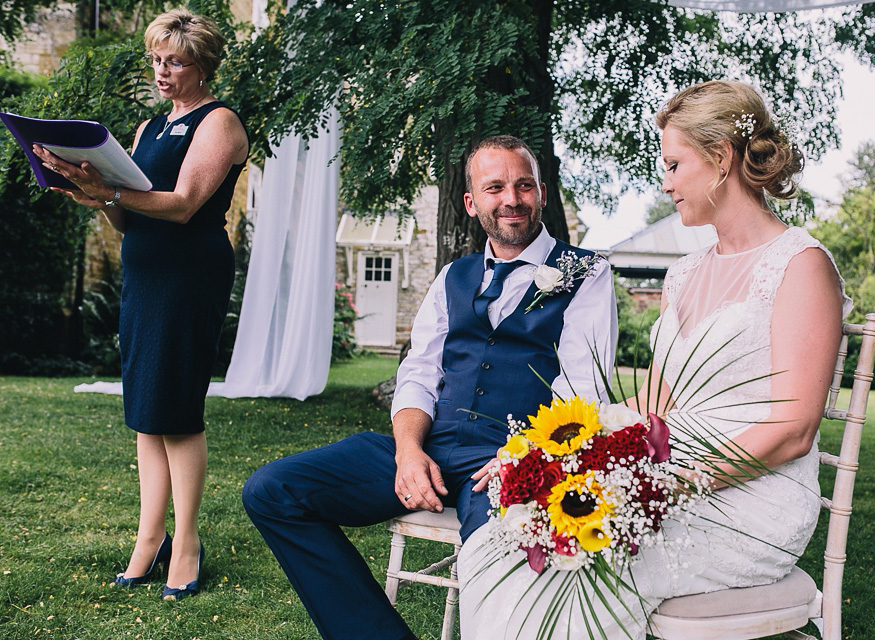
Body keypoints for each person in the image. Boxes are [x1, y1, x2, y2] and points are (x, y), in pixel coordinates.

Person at [457, 81, 853, 638]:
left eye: (673, 164)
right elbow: (655, 401)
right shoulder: (685, 272)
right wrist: (544, 451)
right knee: (498, 546)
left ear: (720, 159)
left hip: (749, 497)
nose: (664, 183)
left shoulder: (802, 267)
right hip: (665, 469)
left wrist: (677, 485)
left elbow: (794, 429)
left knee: (575, 569)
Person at [242, 135, 617, 639]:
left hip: (511, 461)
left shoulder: (585, 273)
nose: (512, 199)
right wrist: (407, 451)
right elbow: (418, 374)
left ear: (542, 194)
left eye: (524, 186)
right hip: (432, 447)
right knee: (273, 491)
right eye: (495, 187)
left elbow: (582, 392)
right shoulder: (452, 277)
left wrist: (523, 459)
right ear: (471, 202)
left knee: (498, 555)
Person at [34, 9, 248, 601]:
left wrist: (113, 190)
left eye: (175, 61)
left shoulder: (220, 121)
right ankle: (147, 539)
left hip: (189, 274)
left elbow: (182, 205)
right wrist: (92, 194)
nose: (162, 70)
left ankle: (186, 544)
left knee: (176, 409)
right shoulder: (148, 128)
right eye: (157, 58)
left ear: (201, 65)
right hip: (147, 273)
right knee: (146, 411)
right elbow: (128, 219)